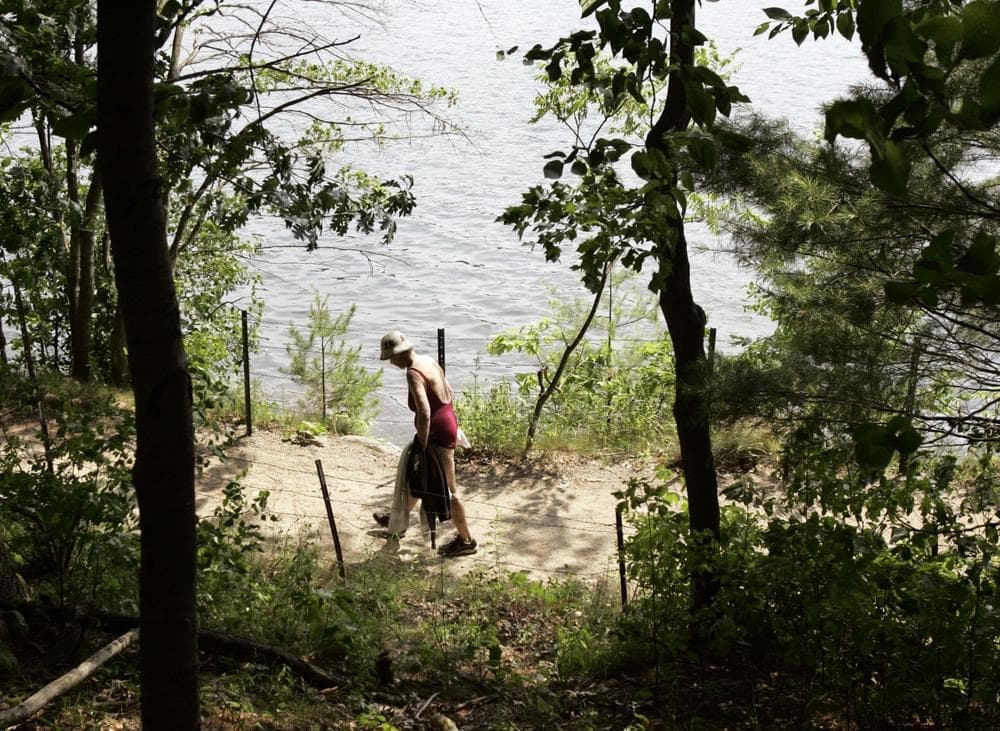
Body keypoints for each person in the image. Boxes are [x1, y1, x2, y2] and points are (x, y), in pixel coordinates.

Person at [377, 330, 477, 557]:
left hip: (436, 435)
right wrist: (452, 422)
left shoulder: (413, 373)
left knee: (448, 489)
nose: (391, 363)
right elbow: (449, 392)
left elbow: (424, 412)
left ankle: (467, 541)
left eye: (391, 358)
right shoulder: (429, 361)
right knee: (418, 480)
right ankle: (397, 522)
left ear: (400, 355)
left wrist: (422, 445)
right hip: (448, 423)